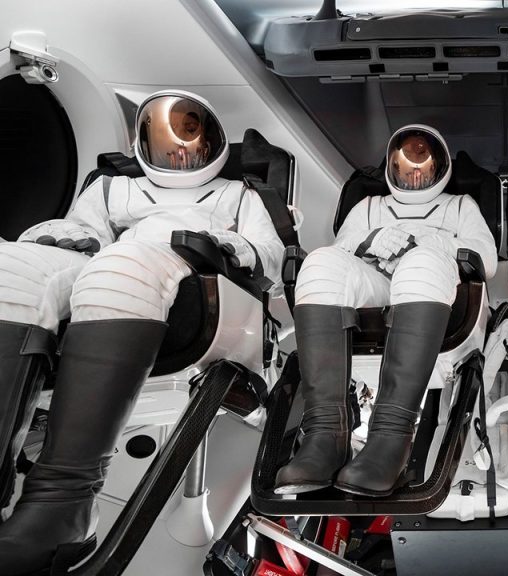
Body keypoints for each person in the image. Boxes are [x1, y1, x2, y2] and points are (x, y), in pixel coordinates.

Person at [0, 90, 284, 574]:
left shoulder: (240, 194)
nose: (180, 149)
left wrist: (223, 243)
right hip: (104, 263)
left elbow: (269, 258)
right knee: (14, 265)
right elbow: (83, 231)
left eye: (189, 133)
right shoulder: (112, 187)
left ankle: (64, 507)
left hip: (196, 282)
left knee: (121, 266)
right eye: (166, 138)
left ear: (212, 139)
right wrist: (66, 235)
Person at [274, 124, 497, 497]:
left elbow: (486, 259)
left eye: (423, 162)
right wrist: (372, 239)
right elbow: (341, 250)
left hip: (437, 287)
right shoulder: (370, 207)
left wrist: (432, 242)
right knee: (320, 263)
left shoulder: (460, 206)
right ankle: (325, 436)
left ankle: (391, 439)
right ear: (392, 166)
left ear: (439, 166)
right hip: (378, 280)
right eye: (407, 163)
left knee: (420, 264)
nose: (415, 172)